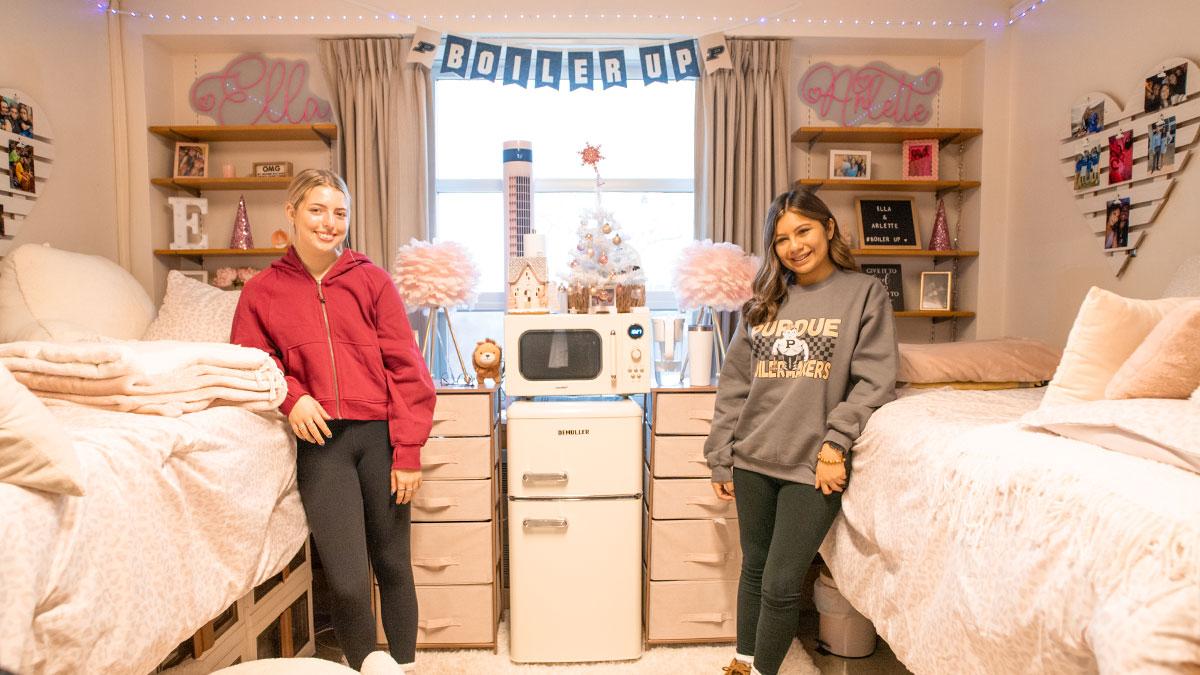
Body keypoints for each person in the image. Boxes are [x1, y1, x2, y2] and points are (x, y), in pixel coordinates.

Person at [231, 169, 436, 671]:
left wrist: (407, 453)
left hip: (379, 440)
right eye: (317, 210)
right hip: (322, 444)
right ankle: (365, 668)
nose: (329, 223)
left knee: (392, 565)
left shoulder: (372, 281)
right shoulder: (262, 290)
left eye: (339, 213)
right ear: (292, 213)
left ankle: (404, 668)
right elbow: (250, 359)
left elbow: (407, 369)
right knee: (345, 577)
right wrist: (292, 399)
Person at [707, 188, 898, 675]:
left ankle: (762, 673)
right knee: (754, 568)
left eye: (803, 231)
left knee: (781, 580)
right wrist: (721, 455)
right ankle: (743, 662)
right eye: (781, 239)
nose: (794, 246)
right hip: (752, 457)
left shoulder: (864, 294)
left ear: (828, 228)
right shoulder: (764, 302)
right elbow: (734, 388)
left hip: (813, 462)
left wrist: (836, 444)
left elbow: (873, 381)